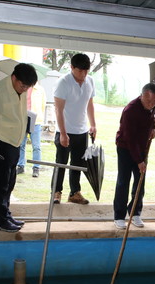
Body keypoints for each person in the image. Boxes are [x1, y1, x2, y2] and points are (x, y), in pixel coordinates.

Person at [0, 63, 38, 232]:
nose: (24, 89)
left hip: (14, 143)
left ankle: (6, 214)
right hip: (0, 143)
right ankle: (0, 220)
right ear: (13, 78)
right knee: (0, 185)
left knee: (9, 183)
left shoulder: (20, 90)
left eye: (27, 86)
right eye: (23, 85)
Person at [113, 83, 155, 229]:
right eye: (149, 101)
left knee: (140, 182)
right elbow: (130, 139)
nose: (151, 105)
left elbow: (151, 120)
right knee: (123, 181)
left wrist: (153, 129)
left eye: (154, 102)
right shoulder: (130, 111)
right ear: (142, 96)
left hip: (142, 148)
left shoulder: (150, 108)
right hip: (126, 148)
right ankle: (119, 216)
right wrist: (139, 161)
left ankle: (135, 213)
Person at [52, 53, 97, 205]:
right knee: (61, 162)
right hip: (64, 130)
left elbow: (90, 104)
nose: (84, 74)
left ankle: (75, 193)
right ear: (71, 67)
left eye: (86, 71)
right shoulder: (63, 82)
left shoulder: (90, 81)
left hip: (82, 131)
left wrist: (93, 124)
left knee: (77, 164)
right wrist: (63, 133)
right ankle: (56, 192)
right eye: (80, 71)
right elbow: (58, 109)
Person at [17, 82, 46, 177]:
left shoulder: (40, 90)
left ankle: (36, 167)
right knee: (21, 144)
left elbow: (43, 105)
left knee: (36, 146)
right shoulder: (22, 87)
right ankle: (20, 165)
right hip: (22, 119)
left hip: (36, 121)